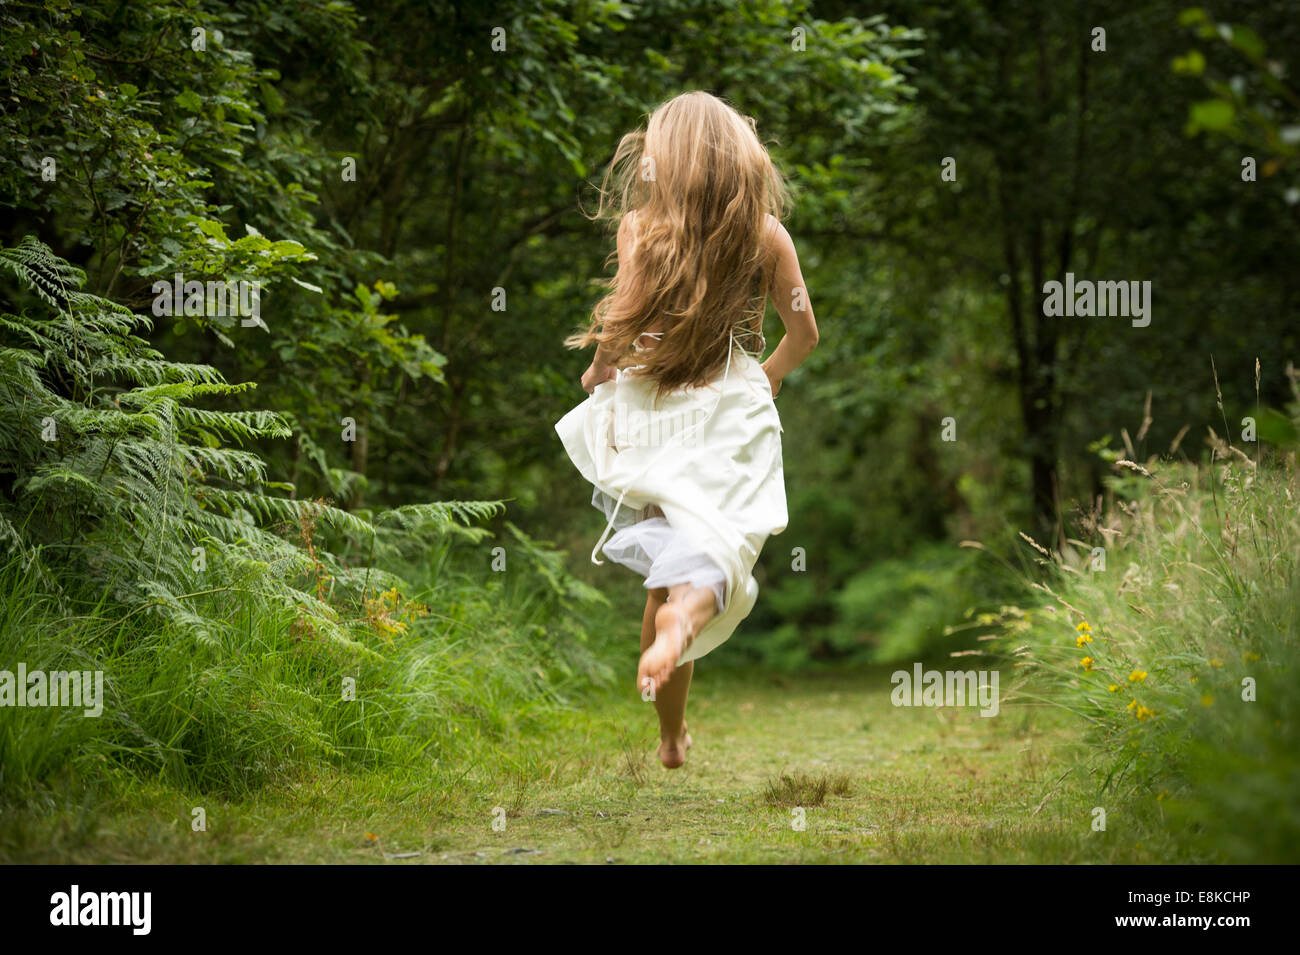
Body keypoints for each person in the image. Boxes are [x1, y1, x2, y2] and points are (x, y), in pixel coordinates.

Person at [555, 91, 819, 768]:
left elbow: (619, 323)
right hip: (729, 409)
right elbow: (804, 333)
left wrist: (597, 375)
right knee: (716, 553)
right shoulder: (765, 234)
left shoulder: (640, 230)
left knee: (665, 572)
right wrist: (765, 376)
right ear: (740, 160)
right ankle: (686, 618)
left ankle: (671, 734)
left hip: (655, 411)